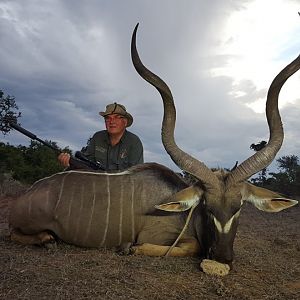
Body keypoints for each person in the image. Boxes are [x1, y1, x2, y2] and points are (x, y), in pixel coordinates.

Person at [58, 102, 143, 171]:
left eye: (117, 117)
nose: (111, 121)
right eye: (108, 118)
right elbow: (85, 163)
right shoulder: (97, 137)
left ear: (125, 122)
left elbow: (137, 175)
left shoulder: (134, 142)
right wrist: (68, 163)